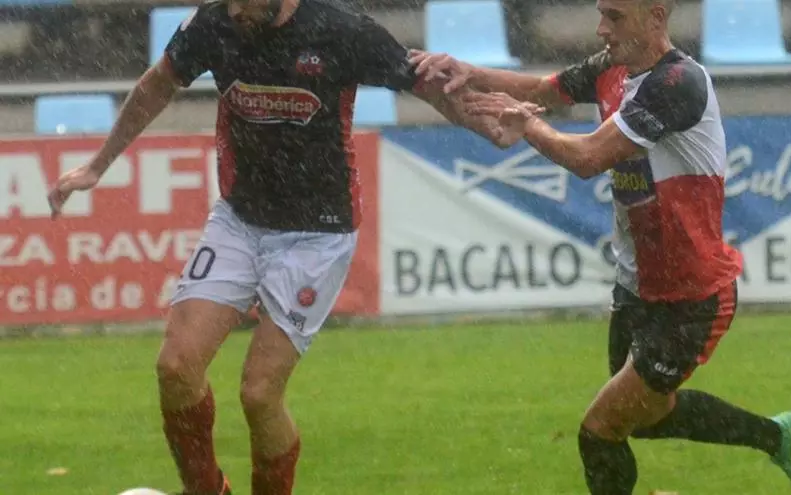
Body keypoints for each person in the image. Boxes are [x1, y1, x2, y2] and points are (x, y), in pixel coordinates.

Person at [45, 1, 530, 494]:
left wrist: (487, 127)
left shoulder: (341, 31)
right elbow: (158, 83)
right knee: (175, 367)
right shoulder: (214, 22)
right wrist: (98, 165)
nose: (235, 9)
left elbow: (428, 86)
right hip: (240, 219)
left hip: (318, 235)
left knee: (259, 394)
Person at [409, 0, 791, 493]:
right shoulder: (612, 67)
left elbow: (588, 158)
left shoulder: (677, 84)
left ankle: (778, 437)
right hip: (636, 284)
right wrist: (468, 72)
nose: (601, 28)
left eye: (615, 16)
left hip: (691, 296)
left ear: (656, 17)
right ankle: (779, 436)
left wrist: (528, 126)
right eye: (602, 13)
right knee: (645, 418)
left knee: (599, 431)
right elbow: (543, 90)